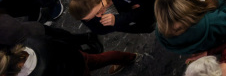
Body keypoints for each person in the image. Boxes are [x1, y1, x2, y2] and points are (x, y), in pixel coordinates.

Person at [0, 35, 137, 76]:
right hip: (77, 57)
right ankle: (130, 57)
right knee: (102, 58)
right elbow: (60, 41)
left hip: (77, 72)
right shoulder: (29, 41)